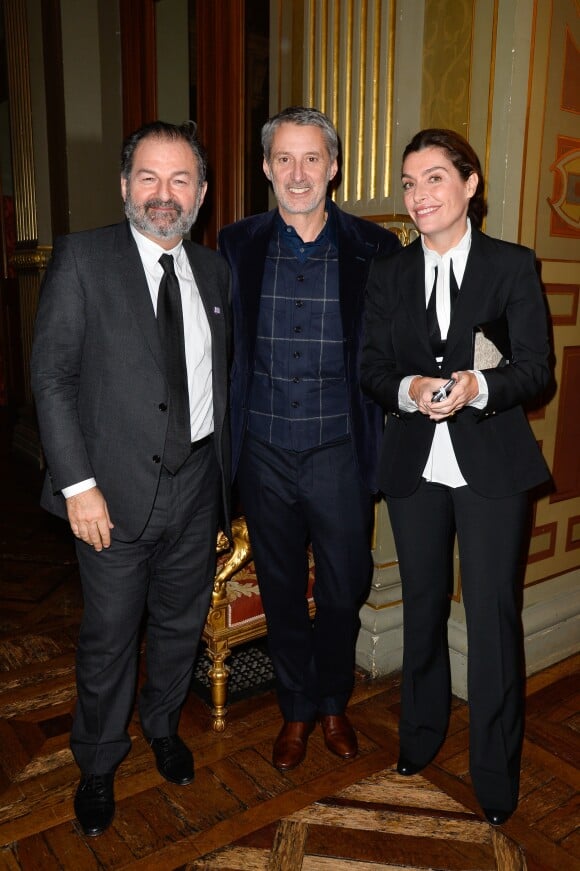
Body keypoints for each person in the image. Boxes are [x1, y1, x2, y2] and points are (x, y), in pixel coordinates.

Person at [30, 121, 231, 837]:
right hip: (108, 496)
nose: (163, 193)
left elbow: (219, 383)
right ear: (124, 186)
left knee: (178, 626)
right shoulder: (83, 259)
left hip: (196, 484)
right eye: (148, 177)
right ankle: (98, 760)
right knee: (111, 635)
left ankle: (163, 727)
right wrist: (77, 484)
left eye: (181, 180)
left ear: (202, 193)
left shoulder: (214, 272)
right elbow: (51, 378)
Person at [361, 128, 552, 826]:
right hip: (415, 461)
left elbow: (538, 368)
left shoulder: (511, 265)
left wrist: (480, 384)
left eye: (434, 178)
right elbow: (372, 366)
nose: (418, 195)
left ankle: (495, 771)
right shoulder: (388, 271)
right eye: (409, 183)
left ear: (470, 185)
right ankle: (419, 736)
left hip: (491, 465)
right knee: (421, 603)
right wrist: (411, 387)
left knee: (494, 618)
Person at [218, 106, 400, 772]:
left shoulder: (374, 250)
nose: (299, 173)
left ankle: (334, 700)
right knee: (282, 588)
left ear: (335, 166)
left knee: (346, 589)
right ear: (267, 168)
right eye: (284, 159)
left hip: (340, 453)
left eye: (312, 158)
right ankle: (298, 710)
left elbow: (401, 346)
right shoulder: (236, 244)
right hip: (262, 452)